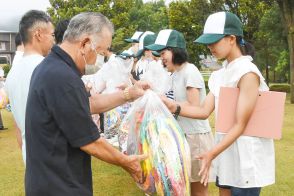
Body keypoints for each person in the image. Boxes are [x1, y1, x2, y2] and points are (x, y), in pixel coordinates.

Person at [25, 12, 149, 196]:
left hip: (49, 181)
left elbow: (87, 104)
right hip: (59, 186)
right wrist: (126, 162)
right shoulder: (61, 77)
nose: (98, 59)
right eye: (99, 52)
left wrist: (128, 94)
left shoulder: (53, 68)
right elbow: (90, 141)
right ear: (84, 44)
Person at [162, 12, 275, 196]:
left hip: (246, 156)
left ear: (231, 39)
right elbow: (204, 110)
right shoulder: (220, 74)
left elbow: (241, 124)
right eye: (208, 42)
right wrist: (173, 106)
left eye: (214, 41)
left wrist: (211, 153)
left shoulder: (247, 72)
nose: (210, 47)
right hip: (226, 153)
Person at [146, 29, 214, 196]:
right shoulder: (174, 74)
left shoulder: (190, 71)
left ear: (175, 50)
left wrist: (169, 104)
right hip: (183, 136)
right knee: (181, 185)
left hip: (196, 137)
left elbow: (194, 105)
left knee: (198, 189)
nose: (161, 57)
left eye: (164, 52)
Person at [5, 10, 55, 164]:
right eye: (52, 35)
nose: (54, 40)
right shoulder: (47, 68)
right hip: (53, 159)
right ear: (39, 34)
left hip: (31, 159)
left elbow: (18, 127)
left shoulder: (12, 74)